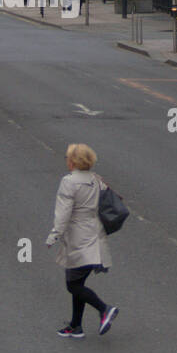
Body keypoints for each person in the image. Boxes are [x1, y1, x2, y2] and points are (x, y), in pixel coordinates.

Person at [45, 143, 117, 340]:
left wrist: (54, 235)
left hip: (78, 239)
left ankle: (105, 309)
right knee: (77, 282)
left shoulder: (69, 182)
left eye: (68, 157)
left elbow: (63, 214)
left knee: (73, 285)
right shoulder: (96, 179)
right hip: (94, 235)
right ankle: (76, 326)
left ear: (73, 161)